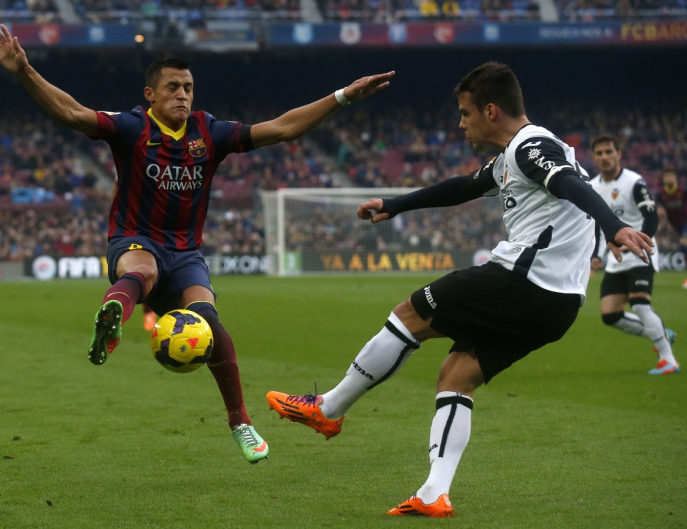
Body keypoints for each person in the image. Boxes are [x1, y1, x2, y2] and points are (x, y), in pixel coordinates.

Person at [0, 23, 394, 464]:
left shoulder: (209, 132)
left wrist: (343, 96)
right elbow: (71, 113)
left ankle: (240, 422)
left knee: (212, 327)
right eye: (173, 87)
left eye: (188, 87)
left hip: (185, 255)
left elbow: (281, 129)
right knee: (141, 273)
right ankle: (114, 320)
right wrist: (25, 70)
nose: (183, 94)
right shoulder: (130, 128)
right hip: (136, 242)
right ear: (150, 95)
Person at [266, 62, 654, 517]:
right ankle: (434, 493)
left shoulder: (532, 146)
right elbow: (463, 187)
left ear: (491, 111)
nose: (461, 123)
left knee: (409, 314)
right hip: (559, 305)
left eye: (466, 113)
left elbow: (568, 184)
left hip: (522, 279)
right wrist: (396, 205)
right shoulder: (513, 156)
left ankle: (328, 408)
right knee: (457, 376)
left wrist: (613, 225)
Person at [589, 134, 678, 375]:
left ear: (619, 154)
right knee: (611, 315)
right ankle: (659, 332)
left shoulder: (634, 182)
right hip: (616, 258)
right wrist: (596, 254)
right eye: (600, 153)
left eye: (609, 152)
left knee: (639, 305)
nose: (605, 157)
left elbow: (651, 217)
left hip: (641, 252)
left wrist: (638, 242)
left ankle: (668, 359)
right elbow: (597, 226)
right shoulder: (593, 187)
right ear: (594, 158)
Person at [654, 167, 687, 290]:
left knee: (684, 244)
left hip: (685, 223)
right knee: (683, 249)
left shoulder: (682, 191)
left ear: (676, 178)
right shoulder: (661, 194)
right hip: (674, 225)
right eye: (667, 176)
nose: (669, 178)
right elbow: (658, 208)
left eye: (671, 176)